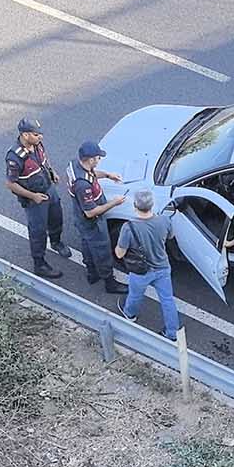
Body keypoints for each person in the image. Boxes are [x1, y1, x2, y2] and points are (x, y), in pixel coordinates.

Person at [5, 118, 73, 279]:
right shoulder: (15, 157)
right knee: (38, 231)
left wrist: (52, 172)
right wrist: (32, 196)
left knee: (56, 218)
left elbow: (43, 161)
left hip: (48, 187)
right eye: (36, 134)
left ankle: (56, 242)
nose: (40, 137)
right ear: (25, 135)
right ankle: (39, 264)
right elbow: (10, 184)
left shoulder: (37, 144)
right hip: (34, 198)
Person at [114, 190, 181, 339]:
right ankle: (172, 332)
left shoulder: (128, 227)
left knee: (135, 295)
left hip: (140, 271)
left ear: (135, 206)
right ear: (152, 205)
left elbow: (119, 253)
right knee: (167, 300)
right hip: (162, 267)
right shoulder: (165, 220)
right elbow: (170, 236)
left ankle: (130, 315)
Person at [67, 140, 128, 293]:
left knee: (87, 244)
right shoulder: (83, 185)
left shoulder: (76, 164)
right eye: (98, 158)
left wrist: (107, 175)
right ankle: (109, 282)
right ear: (91, 159)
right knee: (103, 249)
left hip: (80, 217)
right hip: (91, 221)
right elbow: (91, 212)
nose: (99, 160)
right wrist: (114, 203)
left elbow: (91, 175)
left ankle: (92, 273)